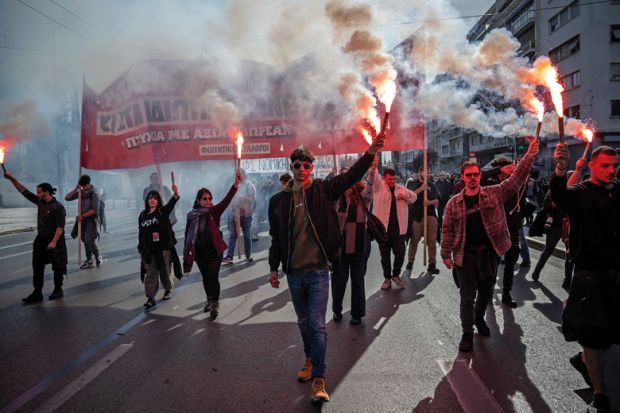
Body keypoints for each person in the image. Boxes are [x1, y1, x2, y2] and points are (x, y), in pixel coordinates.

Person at [268, 135, 384, 403]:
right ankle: (309, 358)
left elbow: (352, 175)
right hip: (294, 273)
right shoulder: (278, 201)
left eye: (306, 165)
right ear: (291, 167)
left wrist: (369, 153)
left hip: (319, 270)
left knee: (318, 325)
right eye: (297, 165)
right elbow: (276, 238)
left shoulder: (323, 190)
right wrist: (273, 268)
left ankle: (319, 379)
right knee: (303, 322)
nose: (301, 169)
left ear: (311, 167)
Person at [441, 137, 538, 352]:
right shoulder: (453, 203)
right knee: (467, 297)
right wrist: (446, 254)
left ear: (480, 176)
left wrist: (529, 156)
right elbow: (446, 229)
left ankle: (479, 318)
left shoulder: (493, 193)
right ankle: (467, 334)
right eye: (469, 175)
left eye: (476, 174)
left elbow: (515, 181)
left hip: (489, 255)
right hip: (465, 257)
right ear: (463, 178)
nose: (473, 178)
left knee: (485, 294)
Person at [550, 144, 620, 413]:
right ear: (591, 166)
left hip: (616, 275)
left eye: (615, 165)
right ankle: (600, 393)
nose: (611, 170)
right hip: (589, 275)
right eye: (605, 165)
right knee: (592, 336)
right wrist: (561, 168)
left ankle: (583, 360)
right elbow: (558, 196)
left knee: (610, 334)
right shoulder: (580, 193)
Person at [4, 172, 68, 303]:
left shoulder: (58, 207)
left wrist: (54, 242)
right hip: (41, 239)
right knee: (37, 266)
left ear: (47, 192)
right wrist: (11, 178)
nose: (37, 195)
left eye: (39, 192)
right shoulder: (40, 202)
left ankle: (58, 289)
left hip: (55, 240)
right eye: (37, 193)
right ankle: (37, 292)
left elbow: (60, 227)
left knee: (58, 266)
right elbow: (23, 191)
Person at [183, 174, 240, 319]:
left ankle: (215, 304)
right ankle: (209, 300)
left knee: (213, 277)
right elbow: (187, 236)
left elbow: (226, 201)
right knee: (205, 277)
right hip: (200, 253)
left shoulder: (214, 211)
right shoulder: (192, 216)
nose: (208, 201)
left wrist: (235, 186)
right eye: (205, 199)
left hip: (214, 251)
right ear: (198, 200)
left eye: (210, 198)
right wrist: (188, 253)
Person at [331, 165, 374, 325]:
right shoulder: (336, 199)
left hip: (359, 246)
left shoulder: (363, 197)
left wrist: (372, 170)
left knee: (357, 281)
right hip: (339, 248)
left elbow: (370, 186)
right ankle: (336, 310)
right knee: (338, 281)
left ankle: (357, 314)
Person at [483, 157, 527, 308]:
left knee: (510, 262)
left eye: (509, 171)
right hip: (494, 230)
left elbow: (531, 174)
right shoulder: (489, 183)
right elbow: (479, 177)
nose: (506, 175)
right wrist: (498, 170)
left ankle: (507, 294)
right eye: (504, 171)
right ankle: (488, 293)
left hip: (512, 228)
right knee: (492, 263)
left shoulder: (515, 185)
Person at [370, 165, 422, 289]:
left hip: (399, 229)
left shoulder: (401, 188)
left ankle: (396, 275)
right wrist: (373, 166)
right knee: (385, 255)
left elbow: (414, 197)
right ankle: (387, 278)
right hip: (383, 229)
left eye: (394, 179)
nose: (392, 181)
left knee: (400, 253)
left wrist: (405, 197)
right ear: (384, 178)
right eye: (389, 179)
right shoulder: (378, 187)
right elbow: (374, 176)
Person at [138, 184, 179, 309]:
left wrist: (176, 194)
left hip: (163, 249)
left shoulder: (162, 212)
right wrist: (141, 248)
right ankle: (151, 298)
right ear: (147, 200)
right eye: (150, 198)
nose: (152, 199)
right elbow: (141, 232)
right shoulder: (142, 215)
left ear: (158, 200)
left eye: (155, 198)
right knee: (151, 273)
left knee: (165, 271)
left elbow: (172, 203)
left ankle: (167, 289)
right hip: (149, 251)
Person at [406, 166, 441, 274]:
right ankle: (410, 261)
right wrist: (421, 189)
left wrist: (429, 202)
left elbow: (437, 200)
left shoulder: (432, 185)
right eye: (425, 171)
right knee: (414, 240)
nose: (427, 173)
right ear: (419, 172)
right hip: (417, 216)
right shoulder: (413, 184)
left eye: (428, 171)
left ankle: (432, 264)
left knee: (431, 241)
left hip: (430, 214)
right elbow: (409, 197)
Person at [65, 175, 101, 269]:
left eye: (85, 186)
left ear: (88, 184)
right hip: (82, 220)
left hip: (91, 219)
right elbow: (67, 198)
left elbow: (94, 210)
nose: (83, 188)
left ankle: (97, 256)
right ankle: (89, 259)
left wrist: (83, 216)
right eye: (82, 186)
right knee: (84, 240)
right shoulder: (80, 192)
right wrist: (75, 189)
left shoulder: (94, 193)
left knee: (89, 239)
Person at [223, 169, 256, 264]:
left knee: (246, 235)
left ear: (244, 175)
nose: (238, 176)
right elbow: (228, 198)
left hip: (245, 215)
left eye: (240, 174)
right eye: (237, 174)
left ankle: (248, 255)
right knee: (232, 235)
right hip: (233, 214)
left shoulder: (249, 185)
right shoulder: (233, 185)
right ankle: (229, 256)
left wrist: (242, 197)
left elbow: (253, 199)